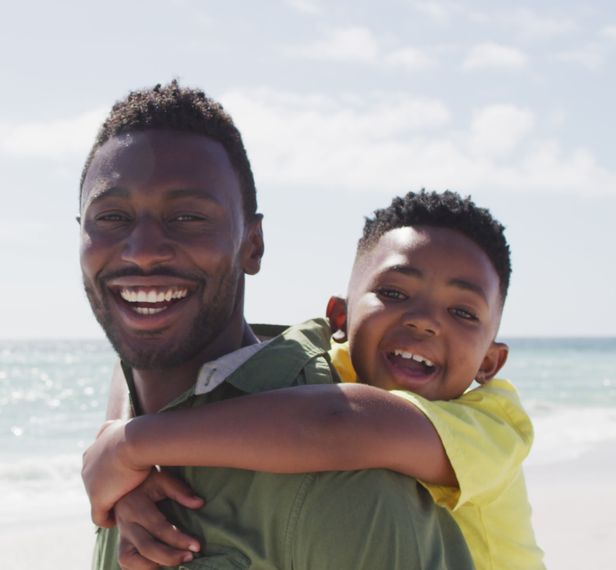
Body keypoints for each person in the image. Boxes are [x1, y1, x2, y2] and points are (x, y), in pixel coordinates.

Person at [78, 81, 472, 569]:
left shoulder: (340, 487)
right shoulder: (118, 470)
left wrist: (129, 444)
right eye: (112, 216)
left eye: (187, 216)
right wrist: (123, 441)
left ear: (253, 245)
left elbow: (332, 423)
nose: (142, 251)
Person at [83, 190, 545, 569]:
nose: (425, 321)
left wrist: (134, 446)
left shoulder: (493, 426)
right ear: (338, 317)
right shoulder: (324, 368)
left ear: (490, 363)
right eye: (394, 293)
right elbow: (152, 367)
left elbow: (338, 424)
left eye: (462, 312)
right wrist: (131, 476)